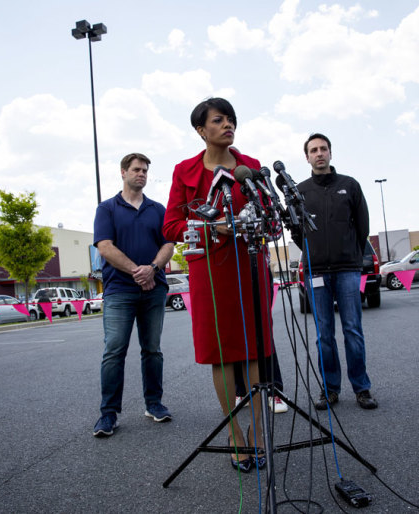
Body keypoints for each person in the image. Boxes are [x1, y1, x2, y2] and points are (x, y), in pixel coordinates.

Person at [163, 98, 274, 472]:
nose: (228, 125)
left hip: (250, 263)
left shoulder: (251, 166)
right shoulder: (184, 171)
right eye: (219, 120)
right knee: (222, 352)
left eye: (231, 120)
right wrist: (211, 226)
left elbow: (267, 210)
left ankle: (258, 429)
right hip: (209, 270)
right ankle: (235, 434)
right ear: (200, 130)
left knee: (255, 346)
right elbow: (170, 226)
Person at [293, 133, 378, 411]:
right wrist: (314, 250)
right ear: (307, 157)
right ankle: (329, 389)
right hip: (316, 271)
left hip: (347, 270)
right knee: (324, 335)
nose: (319, 153)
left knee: (352, 330)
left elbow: (362, 226)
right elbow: (296, 231)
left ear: (330, 153)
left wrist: (350, 255)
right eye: (313, 150)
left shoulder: (350, 186)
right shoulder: (300, 192)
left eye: (323, 149)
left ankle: (362, 388)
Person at [92, 153, 175, 437]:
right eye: (137, 170)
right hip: (119, 291)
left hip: (154, 290)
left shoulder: (157, 209)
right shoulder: (107, 208)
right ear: (123, 173)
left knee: (152, 349)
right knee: (114, 350)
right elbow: (104, 246)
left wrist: (152, 269)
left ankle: (154, 404)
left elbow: (168, 245)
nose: (142, 174)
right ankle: (108, 414)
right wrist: (137, 272)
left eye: (145, 170)